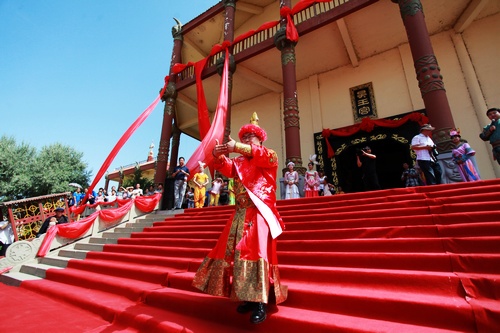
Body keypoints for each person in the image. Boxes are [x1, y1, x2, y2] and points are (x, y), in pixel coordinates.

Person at [192, 113, 287, 325]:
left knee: (258, 254)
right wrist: (217, 155)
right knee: (235, 253)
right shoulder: (240, 162)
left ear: (260, 140)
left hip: (260, 212)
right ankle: (246, 296)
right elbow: (225, 168)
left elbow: (259, 154)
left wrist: (237, 147)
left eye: (251, 136)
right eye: (244, 137)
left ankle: (260, 301)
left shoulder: (269, 155)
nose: (246, 140)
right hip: (240, 213)